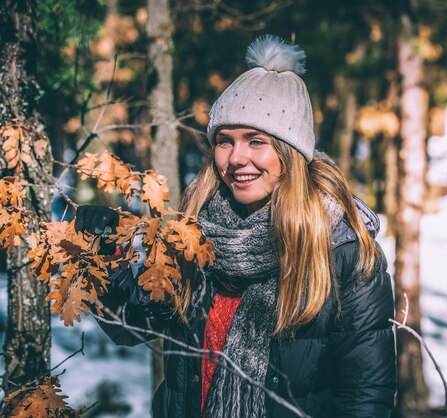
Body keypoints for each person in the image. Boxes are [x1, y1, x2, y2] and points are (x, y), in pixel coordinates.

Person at [76, 35, 396, 418]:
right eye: (224, 141)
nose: (237, 158)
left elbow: (365, 398)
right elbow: (130, 326)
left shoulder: (342, 251)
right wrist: (103, 253)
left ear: (290, 154)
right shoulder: (194, 233)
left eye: (256, 141)